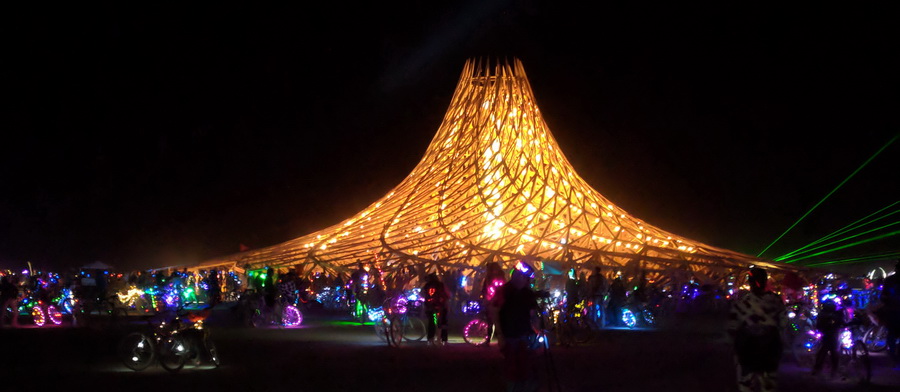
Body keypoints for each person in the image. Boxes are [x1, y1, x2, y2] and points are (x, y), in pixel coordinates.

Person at [727, 267, 785, 392]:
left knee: (746, 383)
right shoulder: (775, 301)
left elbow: (732, 327)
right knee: (768, 384)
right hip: (770, 349)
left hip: (747, 350)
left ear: (749, 282)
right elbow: (783, 324)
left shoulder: (742, 303)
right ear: (765, 281)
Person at [490, 261, 540, 392]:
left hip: (524, 334)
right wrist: (500, 334)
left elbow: (532, 314)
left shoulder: (527, 293)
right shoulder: (504, 291)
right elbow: (495, 311)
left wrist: (536, 329)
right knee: (512, 366)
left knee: (525, 364)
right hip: (510, 334)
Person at [811, 299, 843, 377]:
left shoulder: (824, 314)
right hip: (830, 334)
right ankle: (831, 370)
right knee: (830, 350)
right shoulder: (833, 314)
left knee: (826, 350)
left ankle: (819, 369)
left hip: (829, 334)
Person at [878, 259, 900, 364]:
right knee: (892, 334)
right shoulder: (889, 280)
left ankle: (892, 355)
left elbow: (883, 296)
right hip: (893, 311)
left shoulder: (889, 280)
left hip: (892, 311)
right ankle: (894, 355)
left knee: (891, 334)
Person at [480, 261, 506, 347]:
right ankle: (498, 341)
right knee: (494, 323)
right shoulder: (497, 278)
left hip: (494, 303)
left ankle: (498, 342)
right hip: (493, 303)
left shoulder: (492, 279)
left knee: (494, 323)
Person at [422, 272, 450, 346]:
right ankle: (443, 340)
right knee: (443, 323)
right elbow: (447, 295)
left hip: (431, 307)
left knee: (432, 323)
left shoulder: (427, 285)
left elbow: (424, 295)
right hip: (441, 306)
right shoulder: (441, 285)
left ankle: (430, 339)